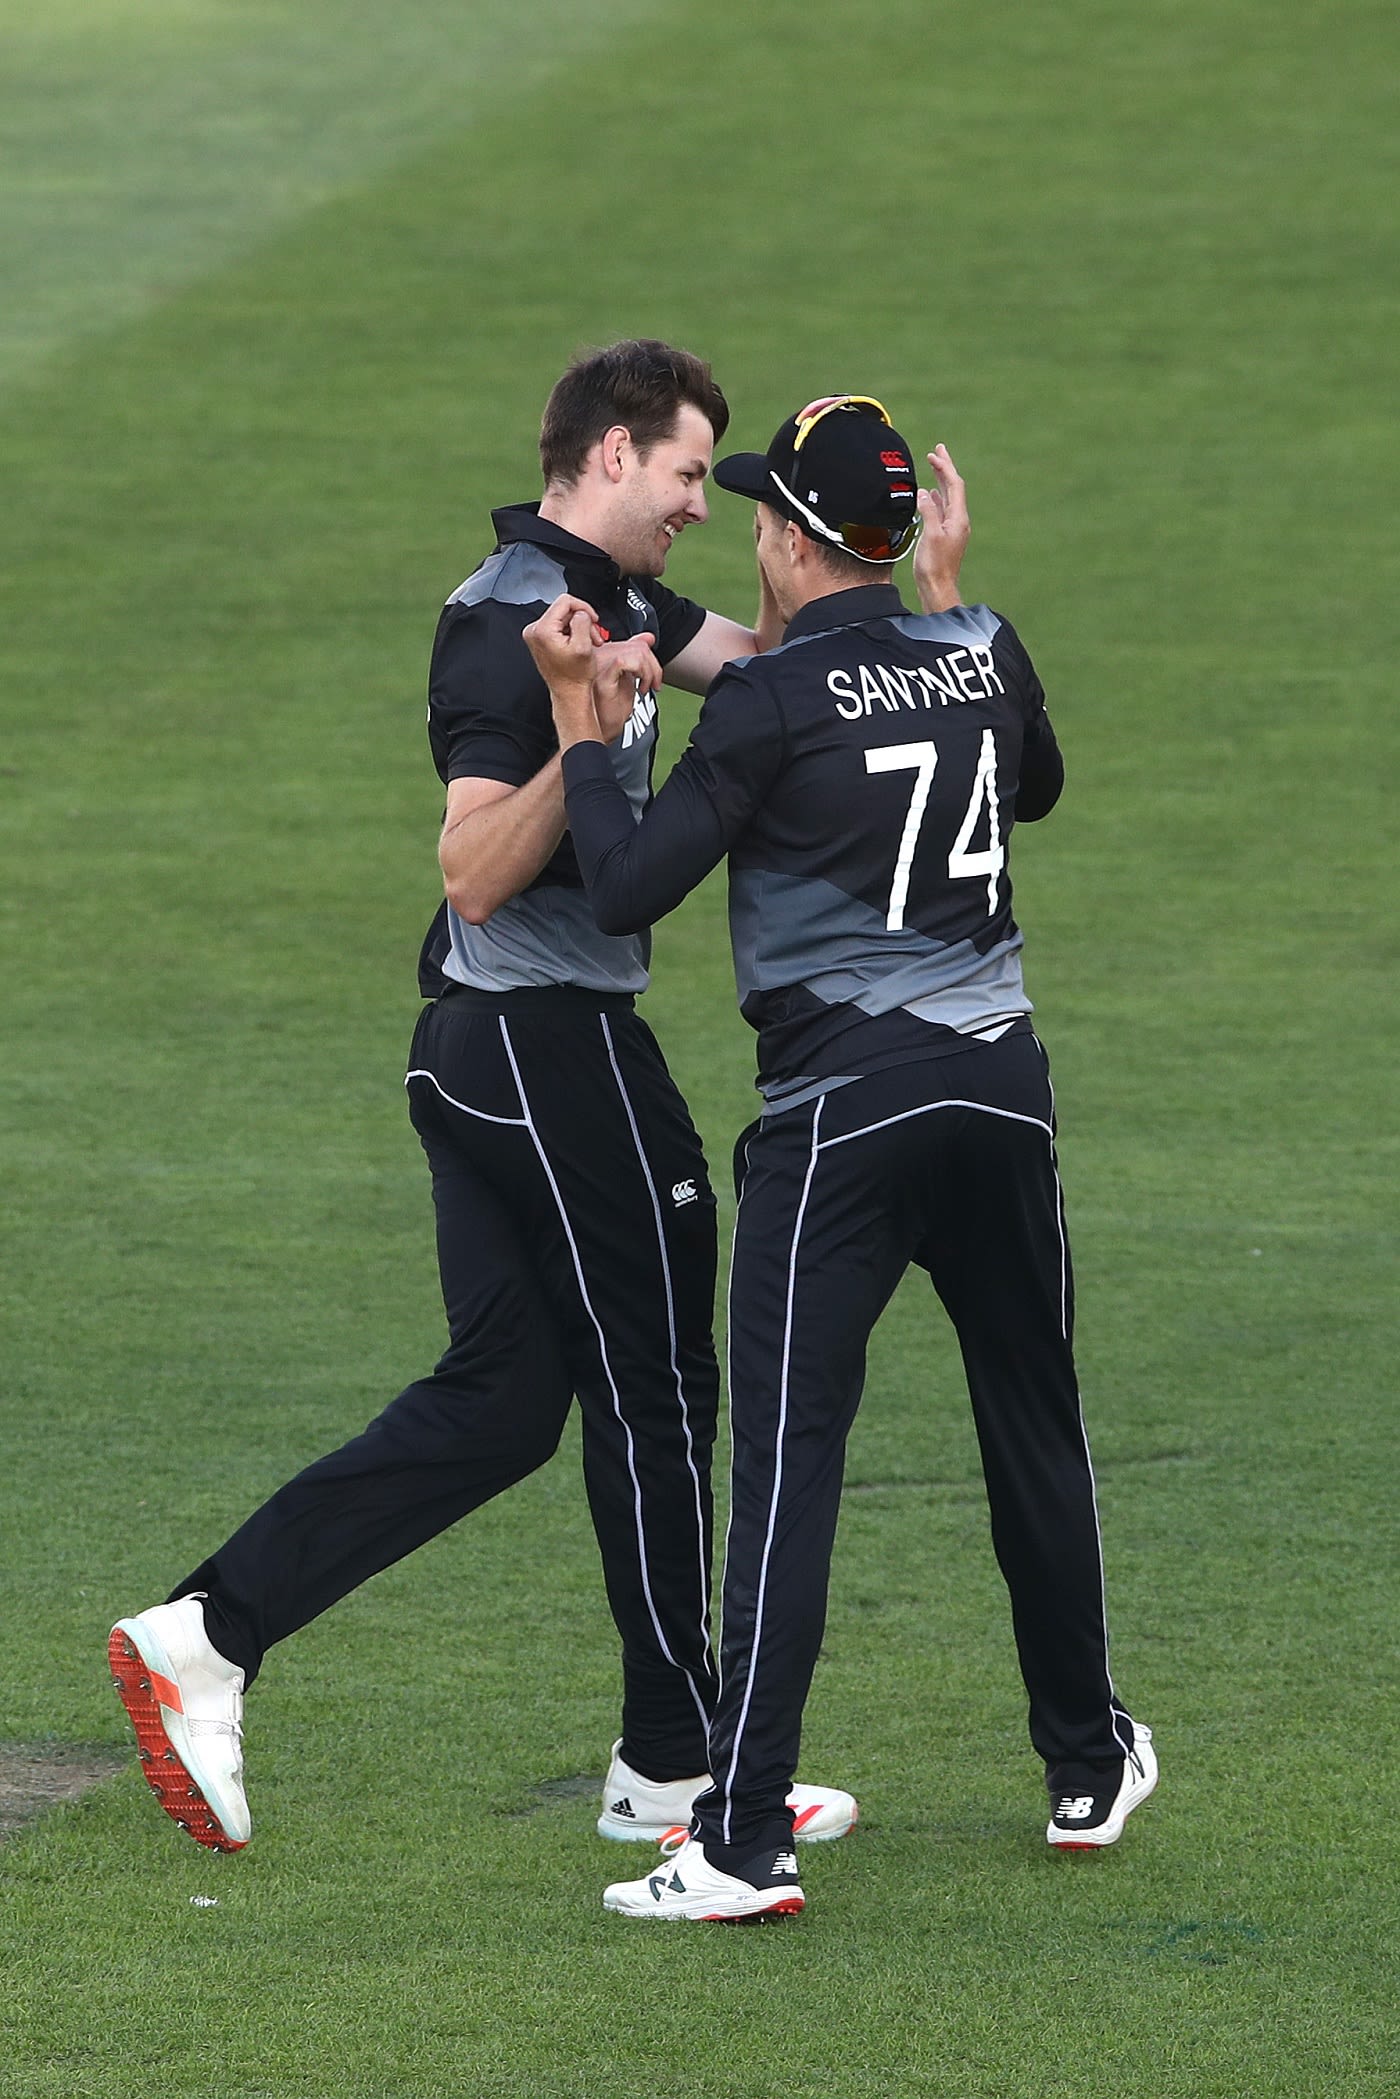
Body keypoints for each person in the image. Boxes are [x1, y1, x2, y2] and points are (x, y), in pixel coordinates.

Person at [108, 346, 966, 1857]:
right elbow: (471, 870)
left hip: (493, 1052)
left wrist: (873, 589)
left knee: (507, 1404)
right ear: (616, 455)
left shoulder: (616, 602)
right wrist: (586, 732)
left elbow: (772, 674)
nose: (705, 503)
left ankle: (208, 1632)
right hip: (540, 1044)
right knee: (661, 1393)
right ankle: (684, 1764)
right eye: (693, 472)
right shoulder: (522, 616)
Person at [523, 394, 1157, 1923]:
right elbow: (1040, 778)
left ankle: (743, 1839)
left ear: (800, 542)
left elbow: (621, 893)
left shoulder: (772, 701)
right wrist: (951, 597)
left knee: (790, 1469)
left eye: (763, 514)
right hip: (1002, 1100)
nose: (747, 531)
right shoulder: (979, 650)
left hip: (841, 1124)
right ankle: (1086, 1762)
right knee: (1034, 1428)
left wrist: (581, 728)